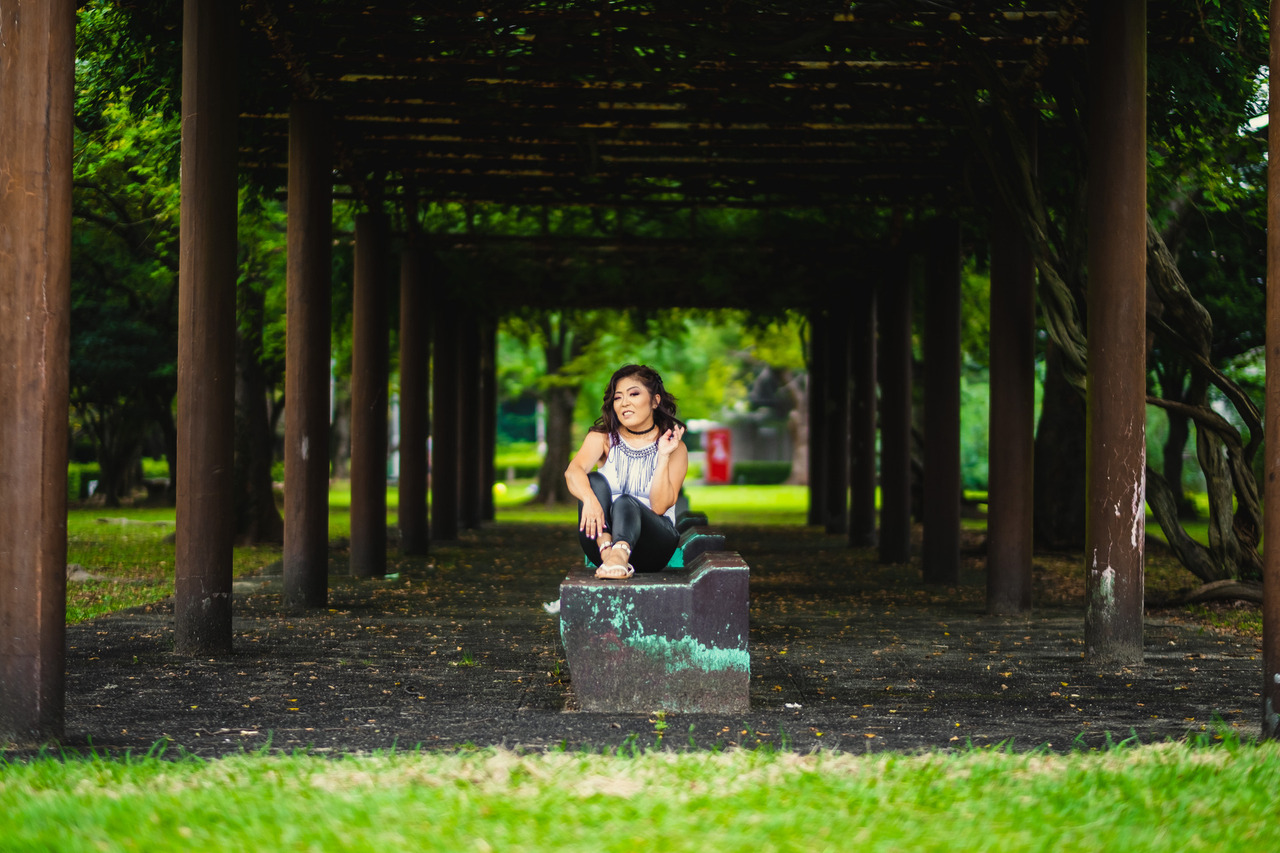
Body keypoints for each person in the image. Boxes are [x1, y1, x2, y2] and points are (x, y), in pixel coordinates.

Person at [564, 364, 689, 579]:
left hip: (654, 547)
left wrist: (663, 456)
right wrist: (590, 501)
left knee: (625, 502)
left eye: (634, 394)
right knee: (592, 481)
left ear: (655, 400)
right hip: (601, 542)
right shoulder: (602, 438)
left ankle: (619, 556)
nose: (625, 403)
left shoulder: (675, 448)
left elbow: (659, 507)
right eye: (618, 397)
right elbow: (572, 471)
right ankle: (610, 558)